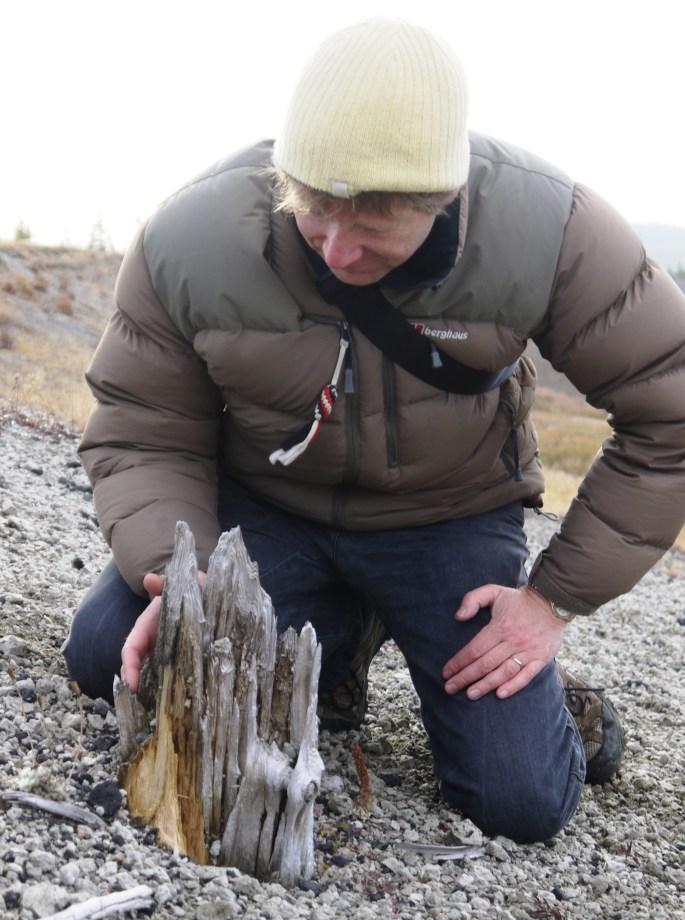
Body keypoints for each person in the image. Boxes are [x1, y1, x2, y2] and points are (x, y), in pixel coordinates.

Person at [64, 18, 685, 844]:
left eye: (375, 223)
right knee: (108, 652)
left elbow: (669, 411)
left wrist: (550, 599)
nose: (337, 248)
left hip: (447, 517)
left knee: (517, 802)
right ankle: (342, 632)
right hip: (271, 503)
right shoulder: (190, 238)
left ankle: (561, 707)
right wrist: (173, 579)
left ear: (446, 197)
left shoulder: (551, 231)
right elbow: (143, 426)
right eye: (316, 210)